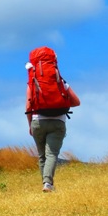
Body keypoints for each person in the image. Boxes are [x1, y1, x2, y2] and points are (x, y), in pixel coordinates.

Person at [25, 55, 80, 193]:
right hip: (58, 122)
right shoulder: (61, 82)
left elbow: (28, 107)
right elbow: (76, 102)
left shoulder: (32, 82)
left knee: (42, 155)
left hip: (37, 121)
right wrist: (61, 103)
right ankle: (48, 184)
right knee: (52, 154)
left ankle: (46, 184)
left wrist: (30, 124)